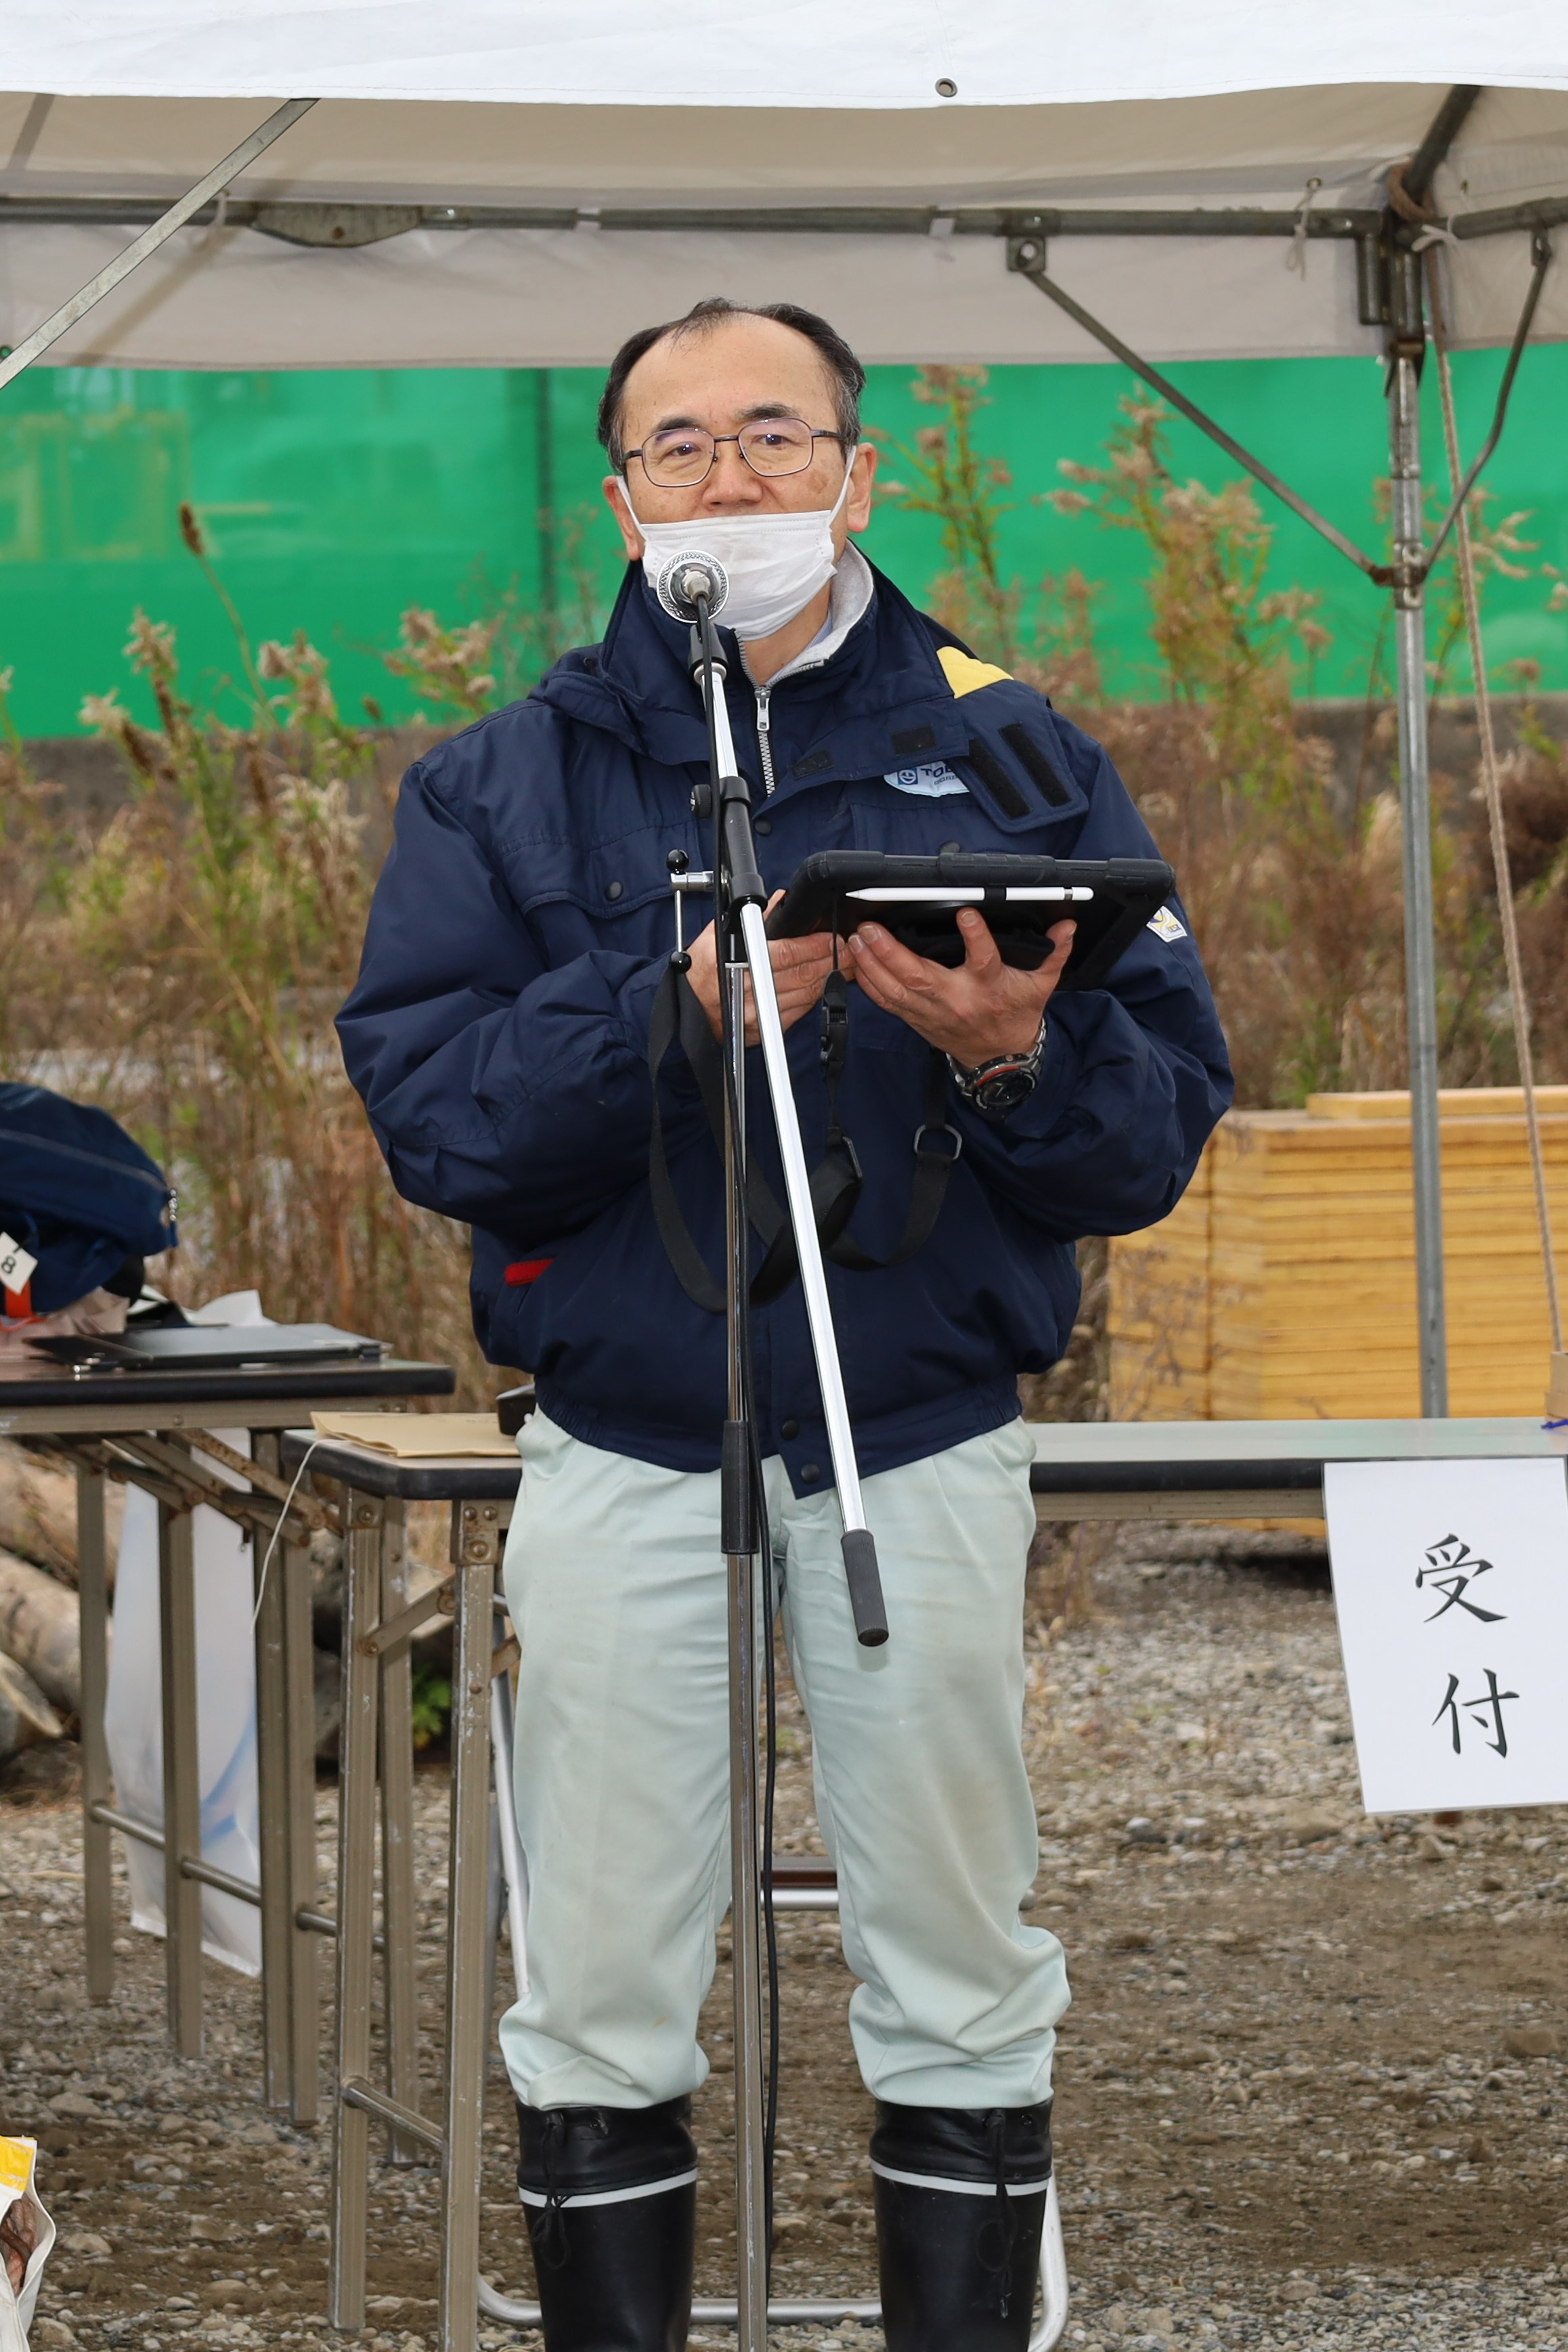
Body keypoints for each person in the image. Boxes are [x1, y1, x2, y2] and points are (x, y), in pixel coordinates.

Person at [338, 297, 1231, 2352]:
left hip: (909, 1432)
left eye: (771, 435)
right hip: (627, 1435)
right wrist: (676, 1014)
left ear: (856, 467)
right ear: (617, 492)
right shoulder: (500, 783)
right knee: (602, 1966)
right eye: (679, 446)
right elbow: (438, 1117)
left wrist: (1012, 1054)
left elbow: (1155, 1125)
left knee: (951, 1942)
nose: (728, 480)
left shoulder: (1019, 751)